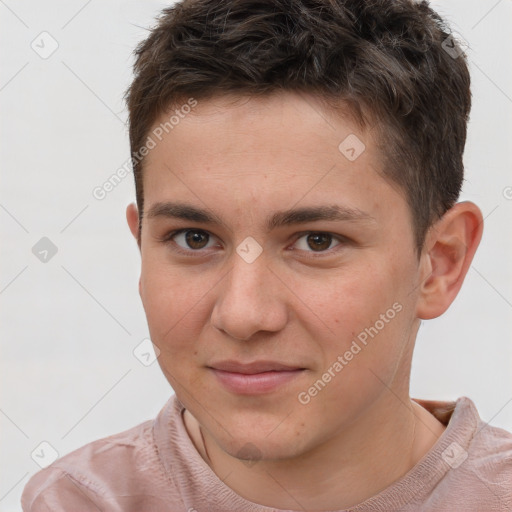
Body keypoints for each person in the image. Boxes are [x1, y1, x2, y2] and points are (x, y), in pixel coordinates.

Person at [21, 0, 512, 510]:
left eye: (316, 241)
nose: (243, 315)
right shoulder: (79, 501)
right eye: (194, 238)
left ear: (439, 263)